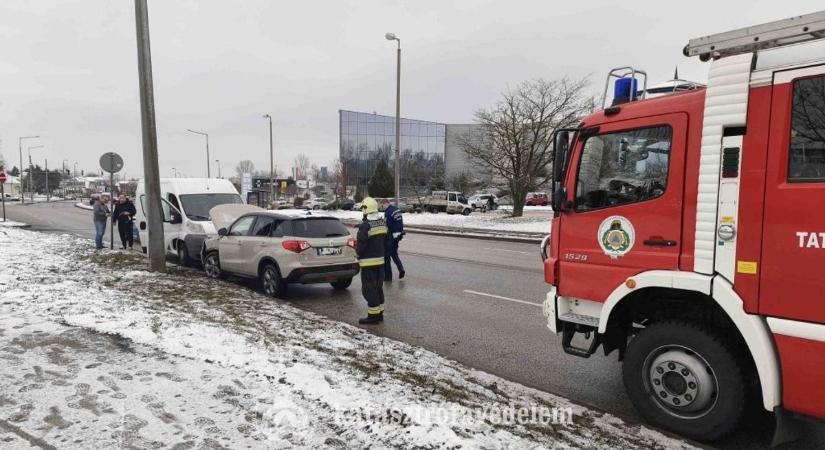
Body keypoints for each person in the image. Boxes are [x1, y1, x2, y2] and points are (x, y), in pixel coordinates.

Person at [356, 197, 388, 325]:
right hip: (380, 262)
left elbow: (361, 245)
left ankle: (372, 316)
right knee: (378, 288)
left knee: (369, 290)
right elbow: (387, 240)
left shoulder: (365, 226)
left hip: (368, 264)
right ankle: (379, 313)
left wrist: (357, 254)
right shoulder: (382, 222)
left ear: (366, 209)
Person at [381, 198, 405, 281]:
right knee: (394, 254)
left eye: (382, 205)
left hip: (392, 236)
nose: (382, 207)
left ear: (386, 203)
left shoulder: (388, 212)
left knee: (386, 256)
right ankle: (401, 269)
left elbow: (387, 226)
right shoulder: (396, 209)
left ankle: (388, 277)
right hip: (399, 234)